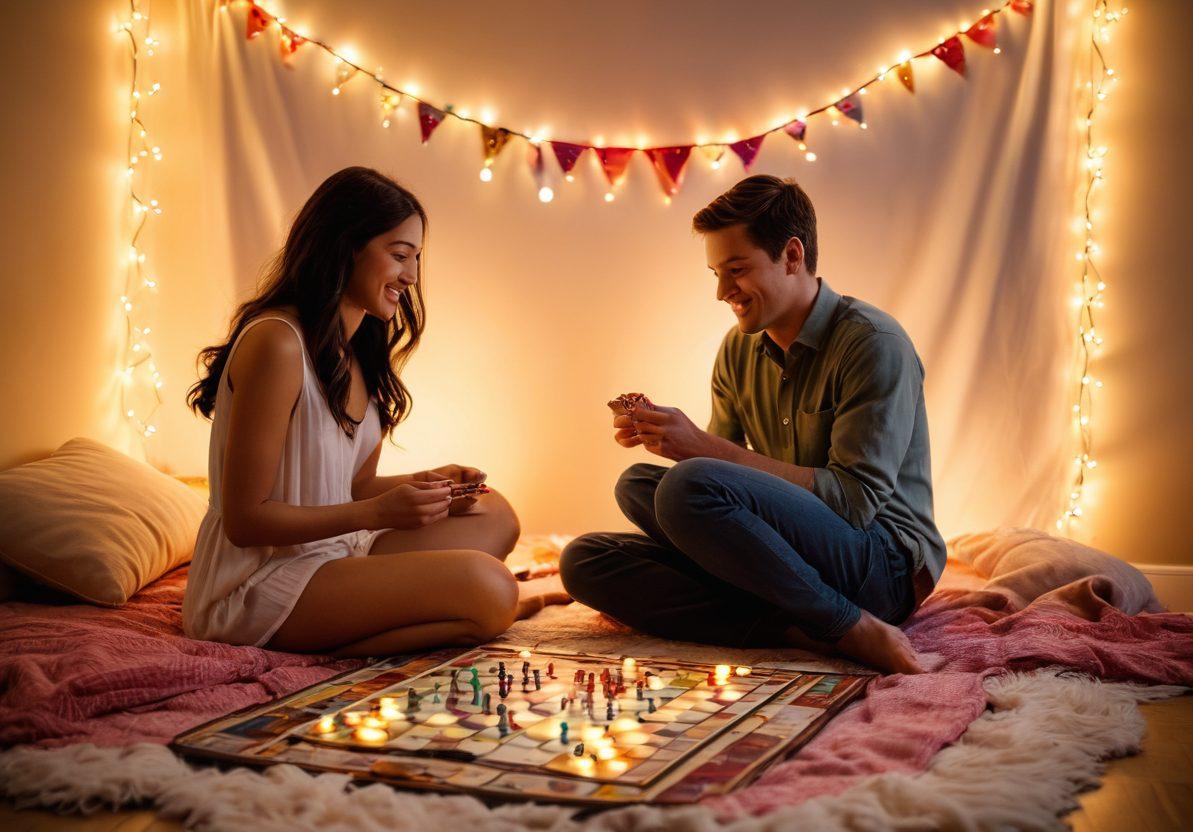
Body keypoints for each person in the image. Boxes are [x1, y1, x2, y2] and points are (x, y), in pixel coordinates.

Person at [560, 175, 944, 674]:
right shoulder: (738, 349)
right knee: (595, 545)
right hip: (794, 557)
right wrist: (667, 437)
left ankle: (853, 626)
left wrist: (698, 449)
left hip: (880, 564)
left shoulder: (873, 343)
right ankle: (792, 628)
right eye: (715, 273)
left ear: (791, 255)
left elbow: (852, 504)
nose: (722, 292)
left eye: (736, 270)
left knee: (684, 488)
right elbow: (722, 485)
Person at [183, 166, 567, 656]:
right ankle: (373, 637)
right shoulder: (277, 343)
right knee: (491, 589)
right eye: (399, 255)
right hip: (256, 581)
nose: (410, 276)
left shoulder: (359, 348)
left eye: (416, 258)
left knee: (495, 513)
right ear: (345, 247)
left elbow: (353, 487)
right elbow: (246, 520)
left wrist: (425, 484)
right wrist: (377, 513)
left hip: (334, 554)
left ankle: (427, 613)